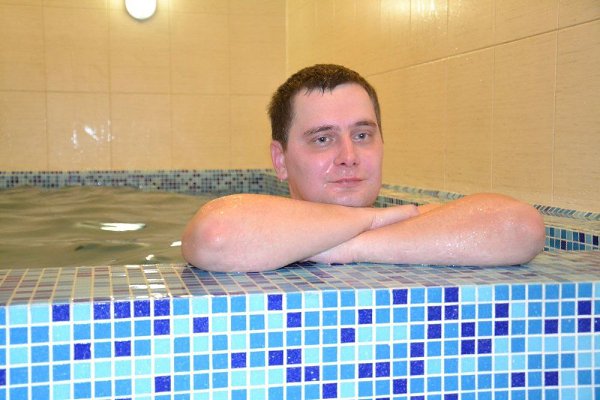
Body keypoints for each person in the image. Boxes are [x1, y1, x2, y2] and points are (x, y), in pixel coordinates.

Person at [182, 64, 545, 272]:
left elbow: (521, 226)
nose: (349, 155)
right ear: (280, 160)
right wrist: (375, 219)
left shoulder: (411, 225)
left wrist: (350, 246)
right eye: (322, 139)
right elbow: (215, 234)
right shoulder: (402, 220)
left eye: (362, 135)